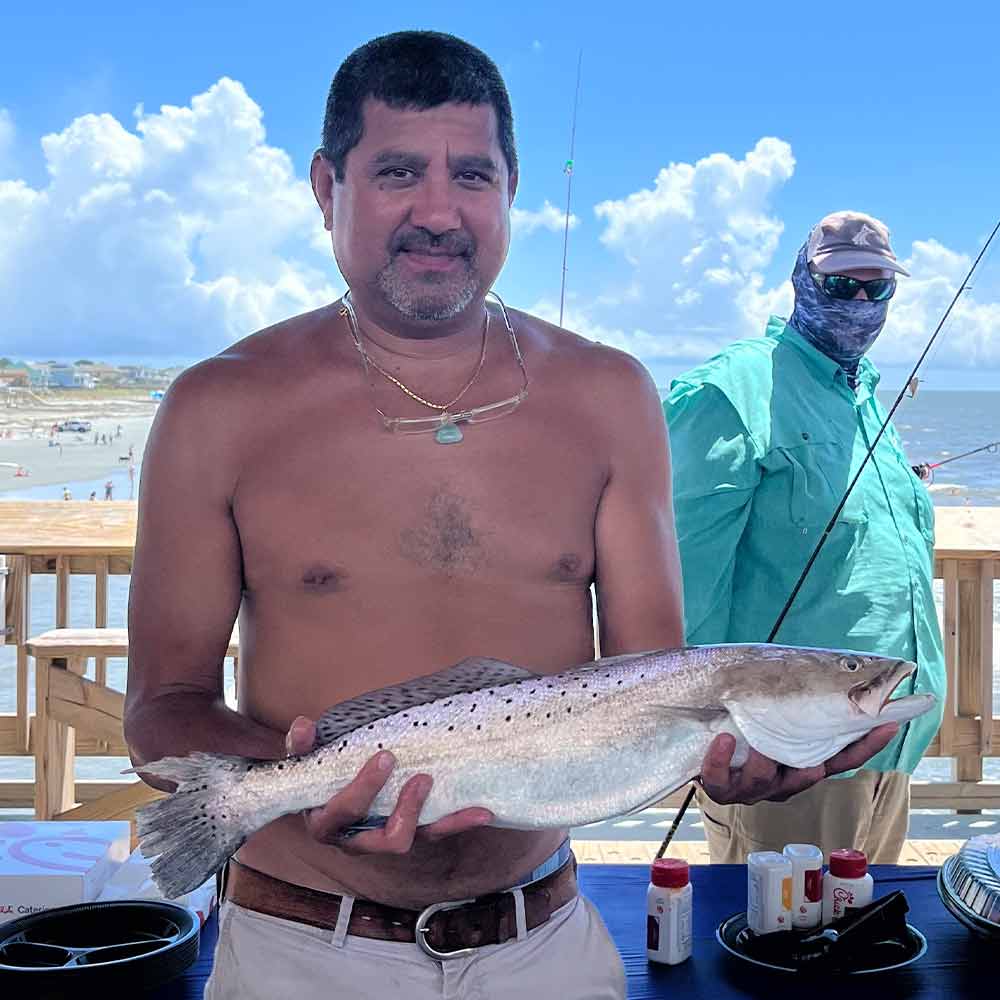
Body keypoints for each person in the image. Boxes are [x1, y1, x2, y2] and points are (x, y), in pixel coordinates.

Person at [124, 38, 895, 999]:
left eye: (473, 175)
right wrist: (304, 782)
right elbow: (162, 711)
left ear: (512, 190)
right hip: (300, 946)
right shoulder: (218, 407)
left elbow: (654, 682)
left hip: (544, 941)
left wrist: (737, 757)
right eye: (398, 171)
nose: (439, 212)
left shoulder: (610, 395)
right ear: (327, 186)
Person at [664, 210, 946, 864]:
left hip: (886, 741)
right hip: (784, 760)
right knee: (779, 952)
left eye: (876, 288)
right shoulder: (730, 389)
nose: (859, 302)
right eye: (840, 284)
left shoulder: (865, 394)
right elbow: (680, 585)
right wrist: (722, 742)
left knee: (862, 944)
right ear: (800, 280)